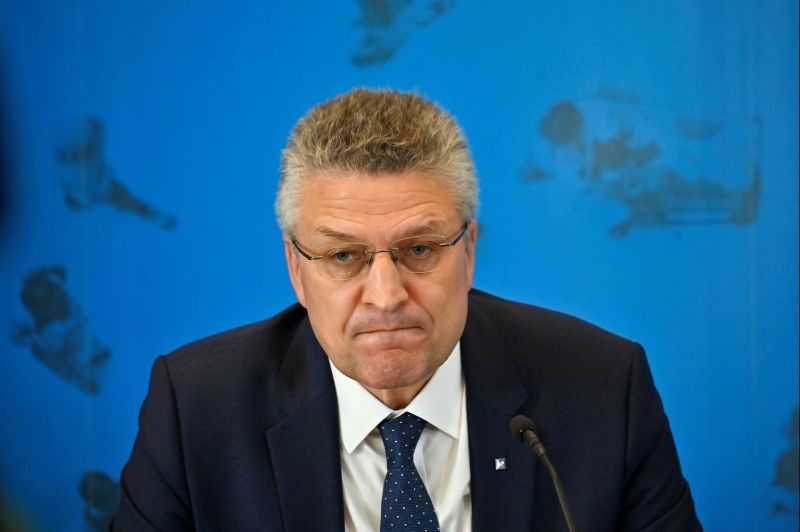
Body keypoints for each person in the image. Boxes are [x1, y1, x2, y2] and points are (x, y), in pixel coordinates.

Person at [112, 88, 701, 531]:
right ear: (297, 268)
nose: (386, 294)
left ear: (468, 253)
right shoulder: (197, 407)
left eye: (419, 249)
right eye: (344, 255)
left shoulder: (602, 389)